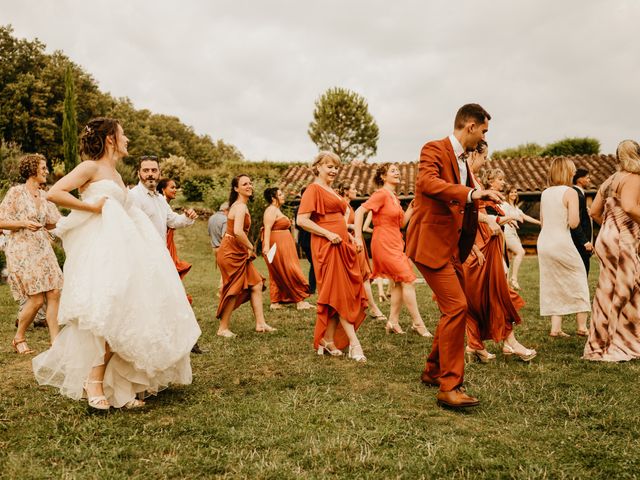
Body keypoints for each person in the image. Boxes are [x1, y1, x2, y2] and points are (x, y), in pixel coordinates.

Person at [33, 117, 201, 410]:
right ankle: (93, 381)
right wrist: (90, 207)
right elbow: (55, 192)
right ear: (110, 138)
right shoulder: (91, 167)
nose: (127, 140)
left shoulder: (117, 174)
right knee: (106, 313)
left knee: (125, 314)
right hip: (102, 251)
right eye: (123, 135)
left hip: (127, 252)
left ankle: (117, 386)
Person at [405, 103, 501, 409]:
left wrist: (473, 236)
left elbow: (462, 208)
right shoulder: (434, 148)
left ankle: (433, 371)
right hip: (430, 244)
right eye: (484, 130)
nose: (484, 136)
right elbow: (427, 184)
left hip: (453, 247)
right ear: (470, 126)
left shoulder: (465, 162)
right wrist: (473, 193)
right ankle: (449, 386)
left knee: (455, 308)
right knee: (457, 307)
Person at [463, 145, 536, 363]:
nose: (485, 162)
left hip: (486, 243)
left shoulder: (472, 179)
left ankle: (475, 346)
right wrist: (491, 221)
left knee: (480, 299)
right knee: (495, 296)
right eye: (484, 157)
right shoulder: (465, 180)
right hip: (477, 245)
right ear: (473, 154)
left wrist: (497, 220)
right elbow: (463, 213)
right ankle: (510, 343)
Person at [296, 151, 368, 362]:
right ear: (318, 166)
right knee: (339, 292)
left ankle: (327, 340)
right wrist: (327, 233)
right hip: (326, 245)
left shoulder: (332, 191)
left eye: (336, 167)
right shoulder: (313, 189)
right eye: (329, 166)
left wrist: (352, 237)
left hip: (342, 244)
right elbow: (302, 220)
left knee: (341, 292)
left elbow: (339, 219)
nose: (334, 170)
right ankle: (355, 344)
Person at [354, 165, 430, 336]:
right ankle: (418, 323)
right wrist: (358, 237)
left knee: (398, 281)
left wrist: (411, 208)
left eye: (398, 170)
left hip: (395, 241)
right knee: (408, 279)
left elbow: (402, 224)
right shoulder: (380, 194)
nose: (398, 173)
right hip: (383, 242)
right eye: (393, 170)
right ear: (383, 176)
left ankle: (393, 322)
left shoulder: (393, 196)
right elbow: (359, 211)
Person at [584, 140, 640, 361]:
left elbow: (595, 211)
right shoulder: (634, 178)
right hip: (623, 239)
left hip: (606, 238)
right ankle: (622, 342)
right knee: (628, 290)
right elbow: (628, 206)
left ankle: (598, 342)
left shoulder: (610, 180)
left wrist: (609, 227)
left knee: (607, 289)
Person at [0, 154, 62, 354]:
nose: (46, 171)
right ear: (32, 170)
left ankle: (56, 341)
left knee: (54, 292)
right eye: (43, 168)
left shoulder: (45, 195)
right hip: (22, 249)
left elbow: (53, 221)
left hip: (43, 248)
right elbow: (1, 221)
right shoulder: (16, 192)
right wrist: (23, 223)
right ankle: (19, 338)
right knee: (36, 299)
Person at [216, 174, 275, 337]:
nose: (249, 186)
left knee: (256, 284)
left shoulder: (241, 205)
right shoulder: (240, 206)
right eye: (244, 184)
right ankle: (223, 328)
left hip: (237, 250)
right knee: (234, 289)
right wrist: (251, 246)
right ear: (236, 188)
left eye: (250, 183)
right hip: (230, 252)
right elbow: (237, 232)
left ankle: (260, 323)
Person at [537, 158, 590, 338]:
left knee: (552, 282)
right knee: (579, 276)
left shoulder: (545, 193)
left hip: (544, 241)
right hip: (561, 239)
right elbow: (574, 222)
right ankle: (582, 327)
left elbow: (542, 221)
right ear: (567, 172)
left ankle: (556, 328)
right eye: (572, 170)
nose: (574, 173)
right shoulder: (570, 192)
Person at [336, 181, 386, 321]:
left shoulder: (348, 206)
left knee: (362, 277)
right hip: (352, 242)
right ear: (346, 191)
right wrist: (354, 225)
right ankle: (373, 308)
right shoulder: (345, 206)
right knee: (363, 276)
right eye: (353, 189)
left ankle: (361, 306)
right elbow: (341, 225)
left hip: (355, 240)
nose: (356, 190)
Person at [261, 187, 313, 311]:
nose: (283, 196)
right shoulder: (271, 210)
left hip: (283, 243)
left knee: (279, 272)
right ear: (273, 198)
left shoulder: (276, 210)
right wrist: (267, 247)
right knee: (289, 270)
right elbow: (267, 228)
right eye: (280, 194)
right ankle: (299, 301)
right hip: (276, 245)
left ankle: (275, 301)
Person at [128, 156, 197, 240]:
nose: (150, 174)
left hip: (161, 250)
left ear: (159, 174)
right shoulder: (133, 196)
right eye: (146, 170)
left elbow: (172, 221)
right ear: (139, 174)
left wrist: (187, 217)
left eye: (154, 170)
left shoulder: (160, 198)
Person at [500, 184, 541, 290]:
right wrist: (514, 219)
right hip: (507, 233)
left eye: (515, 192)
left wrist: (539, 223)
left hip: (513, 233)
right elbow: (503, 217)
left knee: (508, 258)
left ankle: (506, 284)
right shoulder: (505, 205)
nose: (514, 194)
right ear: (507, 194)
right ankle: (514, 279)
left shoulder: (515, 207)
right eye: (511, 192)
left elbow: (524, 216)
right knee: (521, 252)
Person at [157, 178, 193, 281]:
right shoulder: (160, 204)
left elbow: (174, 221)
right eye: (172, 187)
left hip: (170, 244)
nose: (175, 190)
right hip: (164, 245)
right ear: (163, 190)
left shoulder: (166, 206)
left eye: (175, 187)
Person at [570, 168, 594, 275]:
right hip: (579, 242)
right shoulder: (577, 195)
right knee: (583, 270)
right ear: (579, 179)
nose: (589, 180)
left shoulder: (580, 193)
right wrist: (584, 241)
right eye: (587, 178)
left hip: (581, 241)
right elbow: (576, 221)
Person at [294, 187, 316, 295]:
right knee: (315, 263)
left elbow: (297, 226)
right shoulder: (306, 208)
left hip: (305, 239)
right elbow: (298, 225)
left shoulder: (298, 208)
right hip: (309, 239)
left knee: (314, 263)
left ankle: (313, 287)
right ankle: (312, 288)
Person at [208, 201, 229, 298]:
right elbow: (225, 236)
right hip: (222, 248)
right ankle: (221, 291)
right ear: (226, 210)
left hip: (214, 248)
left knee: (223, 270)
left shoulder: (211, 218)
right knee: (226, 271)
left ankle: (223, 289)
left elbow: (209, 233)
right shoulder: (225, 219)